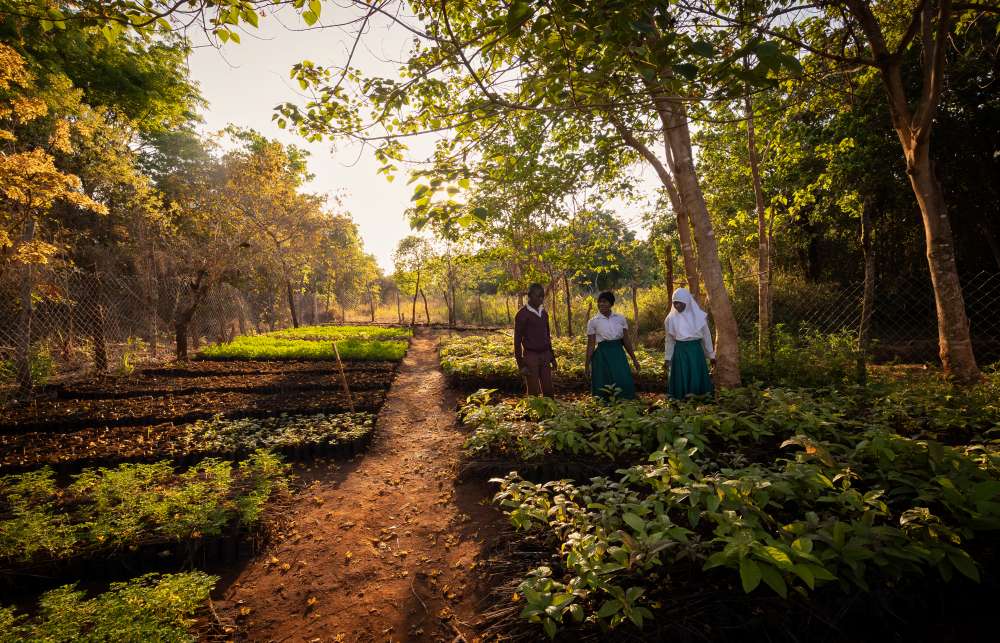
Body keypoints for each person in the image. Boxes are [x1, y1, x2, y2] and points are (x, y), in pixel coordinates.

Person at [585, 291, 640, 400]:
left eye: (604, 302)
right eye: (599, 302)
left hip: (618, 353)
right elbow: (591, 345)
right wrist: (587, 365)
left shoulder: (620, 319)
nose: (601, 304)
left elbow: (626, 340)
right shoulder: (593, 321)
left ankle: (626, 402)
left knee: (622, 378)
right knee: (604, 381)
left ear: (611, 304)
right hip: (602, 355)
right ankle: (604, 405)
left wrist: (634, 359)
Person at [664, 287, 715, 399]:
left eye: (680, 303)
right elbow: (669, 340)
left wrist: (711, 355)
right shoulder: (670, 319)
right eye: (675, 303)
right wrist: (667, 357)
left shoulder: (699, 317)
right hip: (680, 351)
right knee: (681, 375)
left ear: (687, 302)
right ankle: (680, 401)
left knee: (696, 374)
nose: (677, 306)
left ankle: (699, 400)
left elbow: (706, 336)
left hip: (695, 350)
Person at [513, 283, 557, 397]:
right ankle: (534, 413)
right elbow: (517, 341)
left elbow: (547, 336)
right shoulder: (522, 314)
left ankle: (550, 414)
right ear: (530, 296)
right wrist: (521, 365)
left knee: (548, 388)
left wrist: (552, 356)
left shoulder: (544, 313)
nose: (541, 299)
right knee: (533, 390)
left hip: (545, 354)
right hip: (530, 356)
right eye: (538, 296)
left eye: (543, 296)